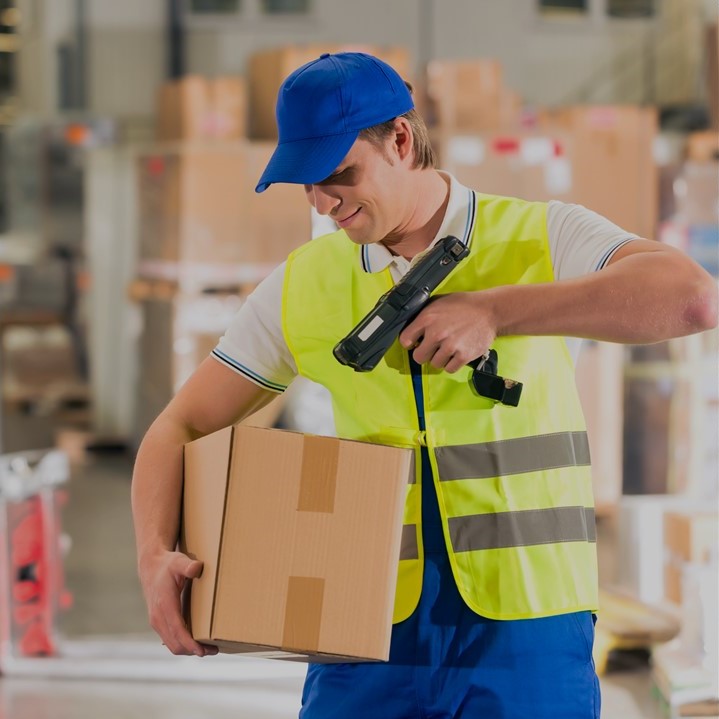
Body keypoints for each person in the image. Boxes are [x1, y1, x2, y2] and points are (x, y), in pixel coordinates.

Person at [131, 52, 718, 718]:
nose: (323, 202)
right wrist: (152, 553)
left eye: (339, 174)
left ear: (401, 141)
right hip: (363, 632)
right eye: (306, 184)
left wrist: (497, 311)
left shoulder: (540, 236)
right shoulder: (302, 285)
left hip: (529, 629)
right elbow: (180, 425)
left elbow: (692, 299)